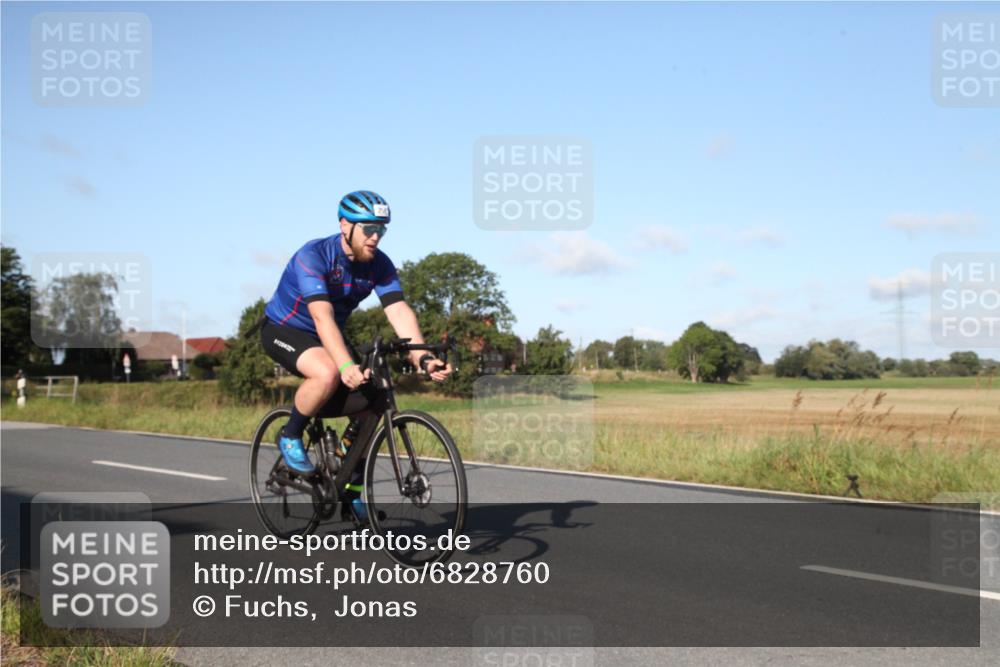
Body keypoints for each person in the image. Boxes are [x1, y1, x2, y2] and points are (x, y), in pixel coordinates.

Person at [260, 190, 452, 519]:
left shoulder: (379, 264)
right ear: (345, 225)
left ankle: (350, 491)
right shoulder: (314, 256)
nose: (375, 237)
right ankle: (290, 434)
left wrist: (421, 355)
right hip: (286, 329)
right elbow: (321, 317)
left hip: (329, 332)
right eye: (369, 229)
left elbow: (399, 311)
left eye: (381, 230)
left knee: (373, 400)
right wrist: (345, 364)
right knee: (328, 372)